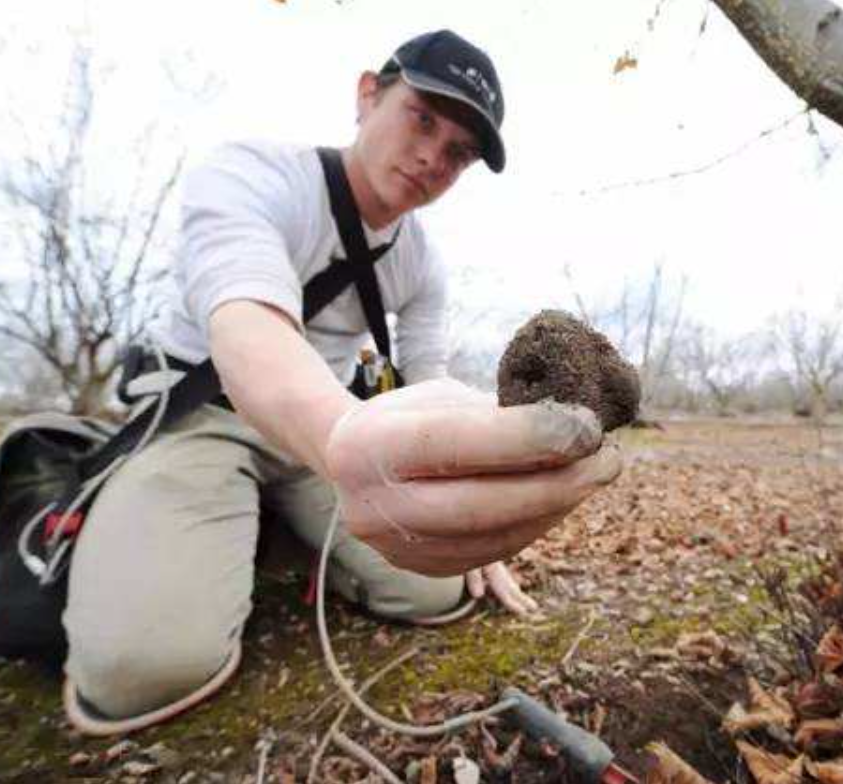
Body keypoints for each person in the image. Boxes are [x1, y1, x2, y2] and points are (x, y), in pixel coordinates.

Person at [60, 29, 622, 735]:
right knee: (142, 671)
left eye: (459, 152)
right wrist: (348, 445)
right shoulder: (253, 175)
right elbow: (247, 328)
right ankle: (162, 521)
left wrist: (481, 516)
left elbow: (428, 382)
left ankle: (275, 531)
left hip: (319, 447)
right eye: (422, 118)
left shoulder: (420, 264)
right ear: (367, 94)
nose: (431, 157)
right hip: (205, 418)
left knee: (439, 587)